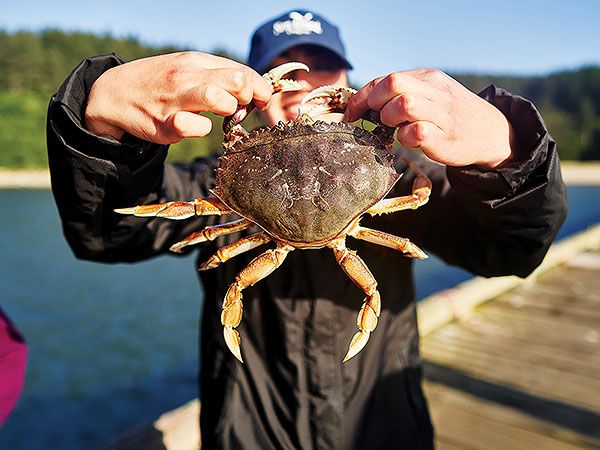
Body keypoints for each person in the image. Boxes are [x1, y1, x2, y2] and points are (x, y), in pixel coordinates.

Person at [47, 9, 567, 450]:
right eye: (283, 70)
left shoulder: (396, 176)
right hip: (249, 430)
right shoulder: (219, 184)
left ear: (347, 84)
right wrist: (100, 138)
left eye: (326, 70)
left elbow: (510, 252)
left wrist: (507, 158)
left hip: (382, 427)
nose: (304, 86)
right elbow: (111, 231)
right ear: (248, 91)